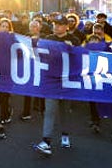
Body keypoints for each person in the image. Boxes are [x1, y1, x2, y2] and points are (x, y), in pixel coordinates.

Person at [34, 14, 80, 156]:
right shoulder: (48, 39)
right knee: (49, 110)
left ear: (67, 26)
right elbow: (39, 56)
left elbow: (81, 60)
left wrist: (72, 50)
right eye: (55, 24)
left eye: (59, 24)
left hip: (67, 80)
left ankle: (65, 135)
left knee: (65, 109)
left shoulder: (74, 40)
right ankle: (46, 141)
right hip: (51, 80)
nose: (56, 26)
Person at [0, 18, 16, 139]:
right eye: (2, 26)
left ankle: (1, 122)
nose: (4, 28)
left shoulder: (13, 38)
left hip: (9, 71)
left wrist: (9, 40)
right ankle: (7, 111)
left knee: (4, 96)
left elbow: (19, 53)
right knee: (0, 96)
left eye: (7, 26)